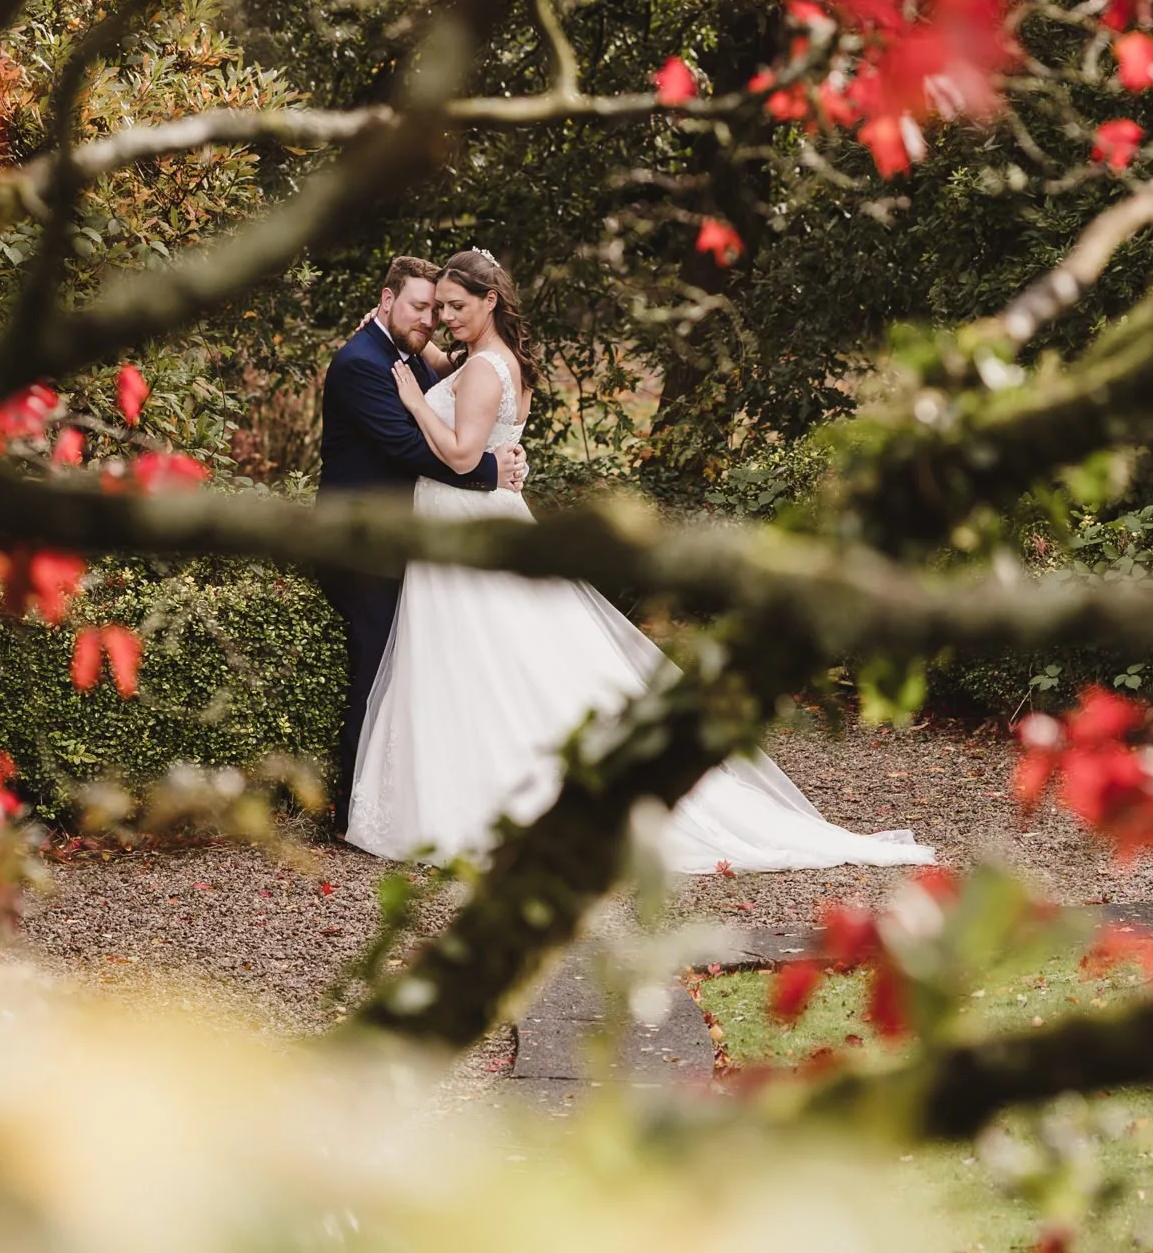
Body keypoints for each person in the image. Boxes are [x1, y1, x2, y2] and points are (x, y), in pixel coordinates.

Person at [344, 248, 933, 872]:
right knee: (485, 666)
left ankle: (492, 802)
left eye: (457, 308)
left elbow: (463, 456)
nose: (444, 320)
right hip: (471, 522)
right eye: (437, 309)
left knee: (486, 665)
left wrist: (412, 403)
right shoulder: (489, 361)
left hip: (466, 527)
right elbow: (445, 373)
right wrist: (387, 335)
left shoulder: (486, 370)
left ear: (490, 301)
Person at [316, 257, 527, 832]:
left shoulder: (409, 357)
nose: (433, 318)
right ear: (386, 300)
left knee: (431, 665)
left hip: (414, 534)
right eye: (422, 306)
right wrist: (490, 470)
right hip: (361, 541)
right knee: (378, 665)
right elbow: (410, 446)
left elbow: (447, 398)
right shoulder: (364, 363)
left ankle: (411, 800)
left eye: (441, 308)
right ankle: (351, 807)